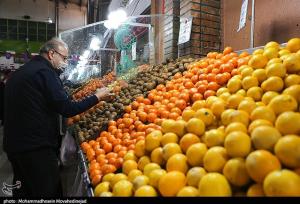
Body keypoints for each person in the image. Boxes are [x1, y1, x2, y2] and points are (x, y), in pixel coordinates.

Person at [3, 38, 113, 197]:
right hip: (36, 147)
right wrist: (97, 97)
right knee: (48, 191)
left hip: (14, 145)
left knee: (24, 190)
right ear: (51, 54)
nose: (66, 62)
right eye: (64, 57)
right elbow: (67, 108)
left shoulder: (23, 71)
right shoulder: (45, 72)